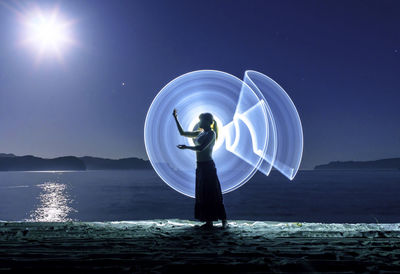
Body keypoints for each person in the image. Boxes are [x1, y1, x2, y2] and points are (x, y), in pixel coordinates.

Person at [173, 109, 227, 229]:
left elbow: (201, 148)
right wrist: (175, 118)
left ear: (208, 122)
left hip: (208, 166)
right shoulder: (200, 133)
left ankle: (223, 220)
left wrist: (186, 147)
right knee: (203, 193)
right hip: (200, 166)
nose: (200, 122)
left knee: (213, 192)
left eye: (201, 120)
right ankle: (209, 221)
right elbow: (182, 133)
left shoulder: (211, 134)